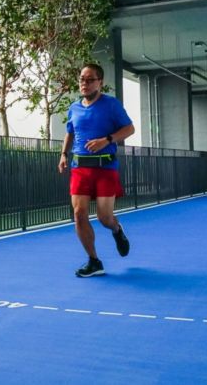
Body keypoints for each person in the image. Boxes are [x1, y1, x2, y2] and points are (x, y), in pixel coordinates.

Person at [58, 63, 136, 277]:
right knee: (78, 214)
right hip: (80, 168)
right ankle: (94, 261)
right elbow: (70, 132)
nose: (84, 83)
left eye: (90, 79)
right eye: (82, 78)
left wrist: (107, 140)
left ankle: (117, 230)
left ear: (100, 82)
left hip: (105, 167)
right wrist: (64, 154)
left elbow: (129, 128)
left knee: (104, 217)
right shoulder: (74, 108)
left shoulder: (111, 105)